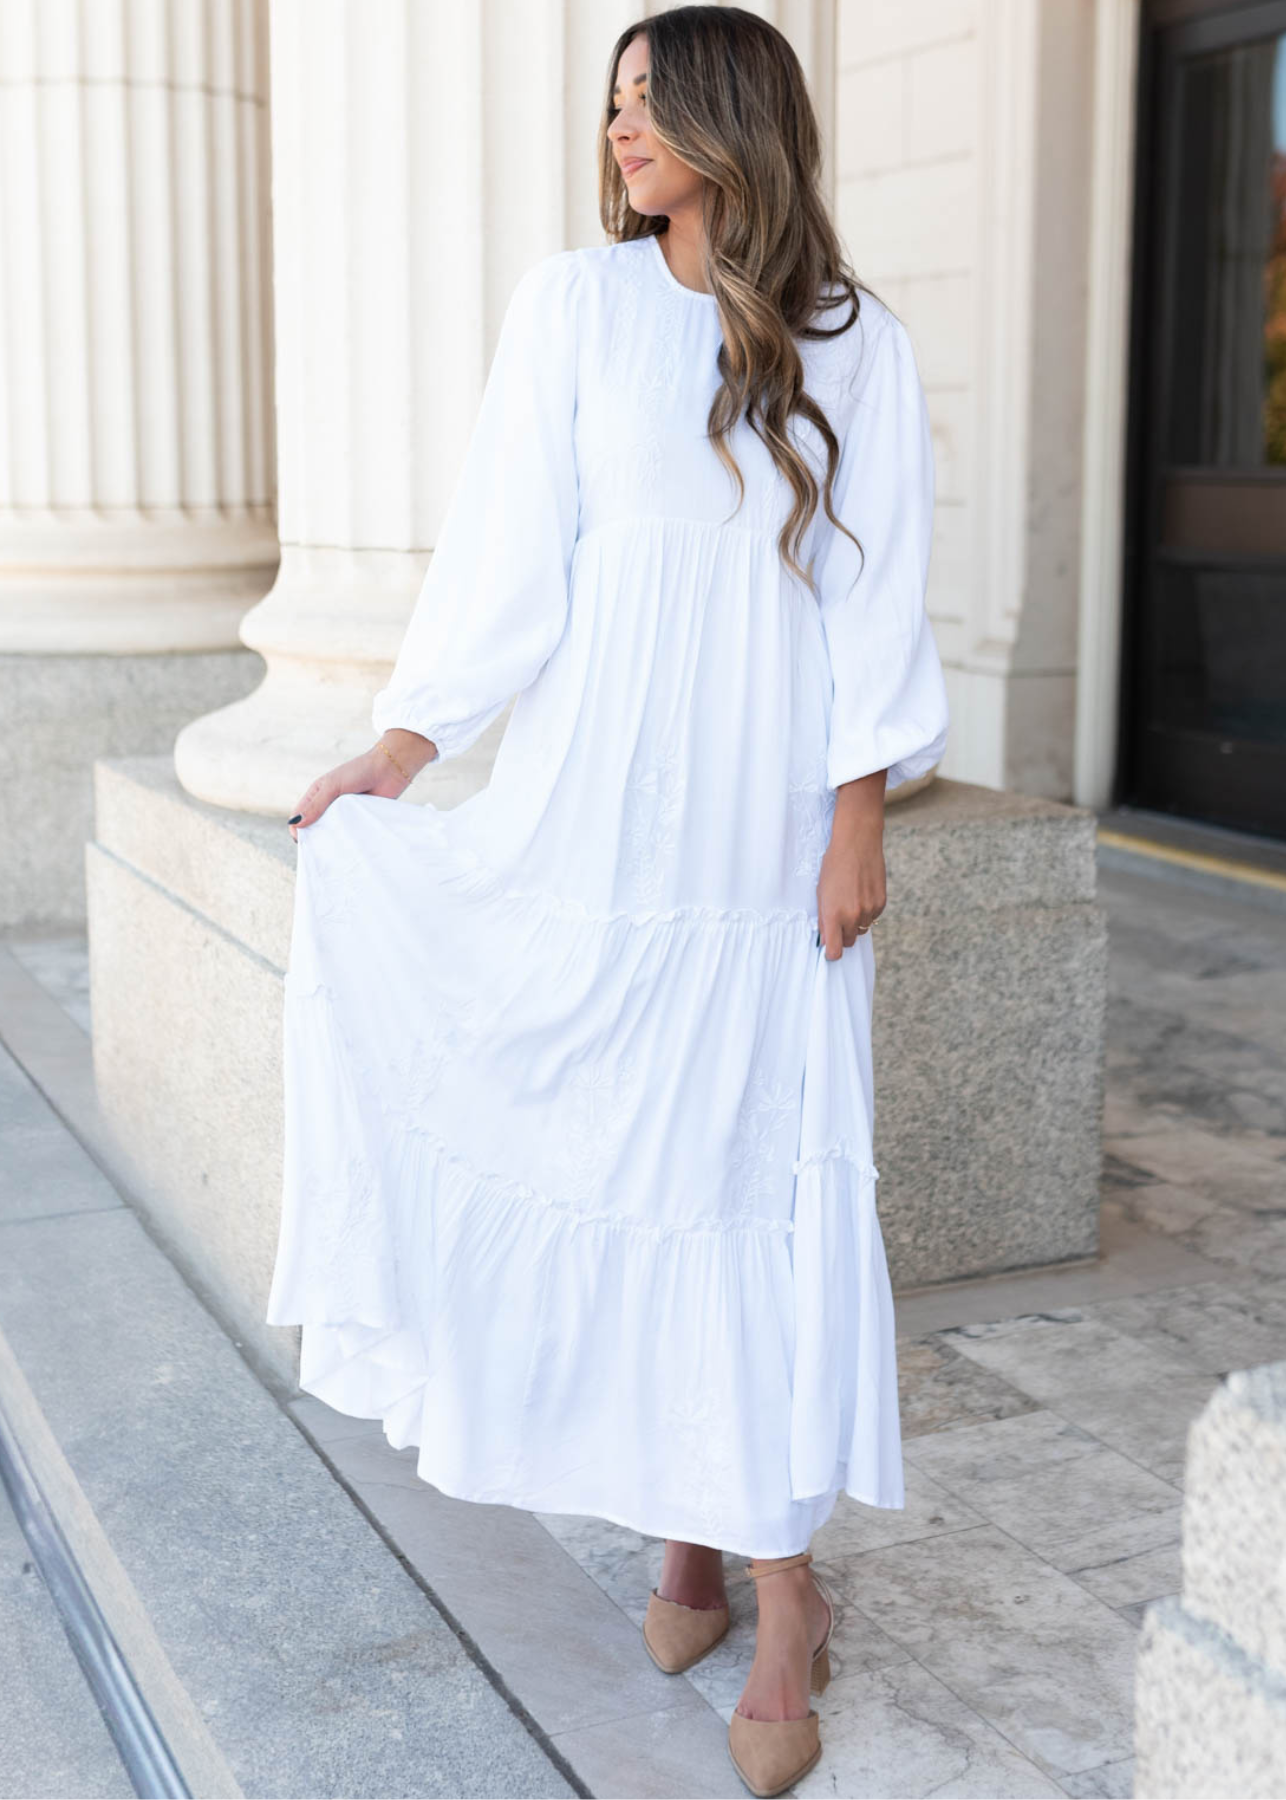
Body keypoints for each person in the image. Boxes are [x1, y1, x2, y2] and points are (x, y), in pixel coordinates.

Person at [266, 7, 949, 1794]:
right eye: (614, 99)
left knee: (746, 1177)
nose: (620, 125)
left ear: (737, 118)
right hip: (600, 818)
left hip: (759, 838)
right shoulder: (570, 310)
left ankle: (781, 1593)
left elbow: (870, 602)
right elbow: (506, 558)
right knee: (620, 1156)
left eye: (654, 99)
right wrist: (403, 751)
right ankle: (683, 1532)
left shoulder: (851, 342)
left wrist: (856, 812)